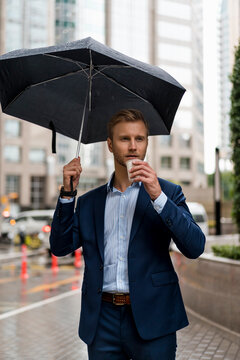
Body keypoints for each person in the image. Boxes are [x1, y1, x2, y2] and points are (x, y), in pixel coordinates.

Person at [50, 109, 205, 360]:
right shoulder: (90, 202)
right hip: (102, 321)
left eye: (140, 139)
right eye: (124, 139)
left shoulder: (168, 192)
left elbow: (195, 247)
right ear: (110, 145)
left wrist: (158, 196)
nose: (133, 146)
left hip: (154, 317)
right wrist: (68, 195)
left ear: (146, 143)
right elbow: (60, 246)